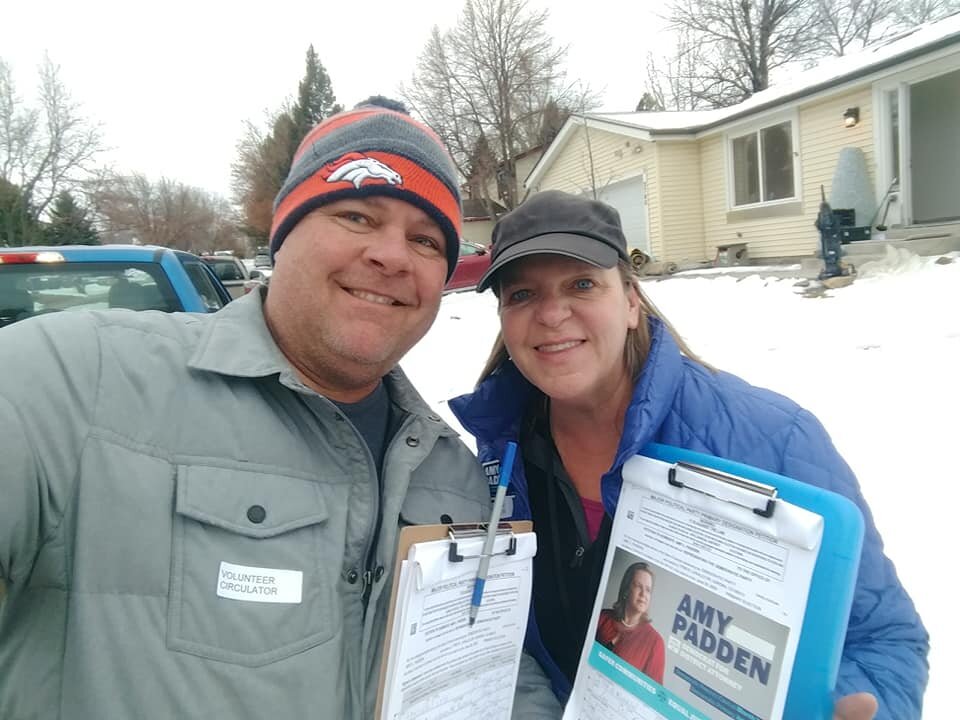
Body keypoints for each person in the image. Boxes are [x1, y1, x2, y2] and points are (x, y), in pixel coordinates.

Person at [0, 102, 560, 719]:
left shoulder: (450, 473)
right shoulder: (75, 379)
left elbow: (482, 673)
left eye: (426, 240)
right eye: (356, 214)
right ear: (283, 231)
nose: (393, 256)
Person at [449, 190, 929, 720]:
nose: (551, 314)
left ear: (631, 301)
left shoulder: (772, 439)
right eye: (521, 295)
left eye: (582, 284)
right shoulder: (502, 449)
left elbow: (882, 637)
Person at [595, 561, 664, 683]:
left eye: (648, 590)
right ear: (626, 590)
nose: (643, 594)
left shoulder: (655, 642)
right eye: (638, 586)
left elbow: (651, 695)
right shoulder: (603, 617)